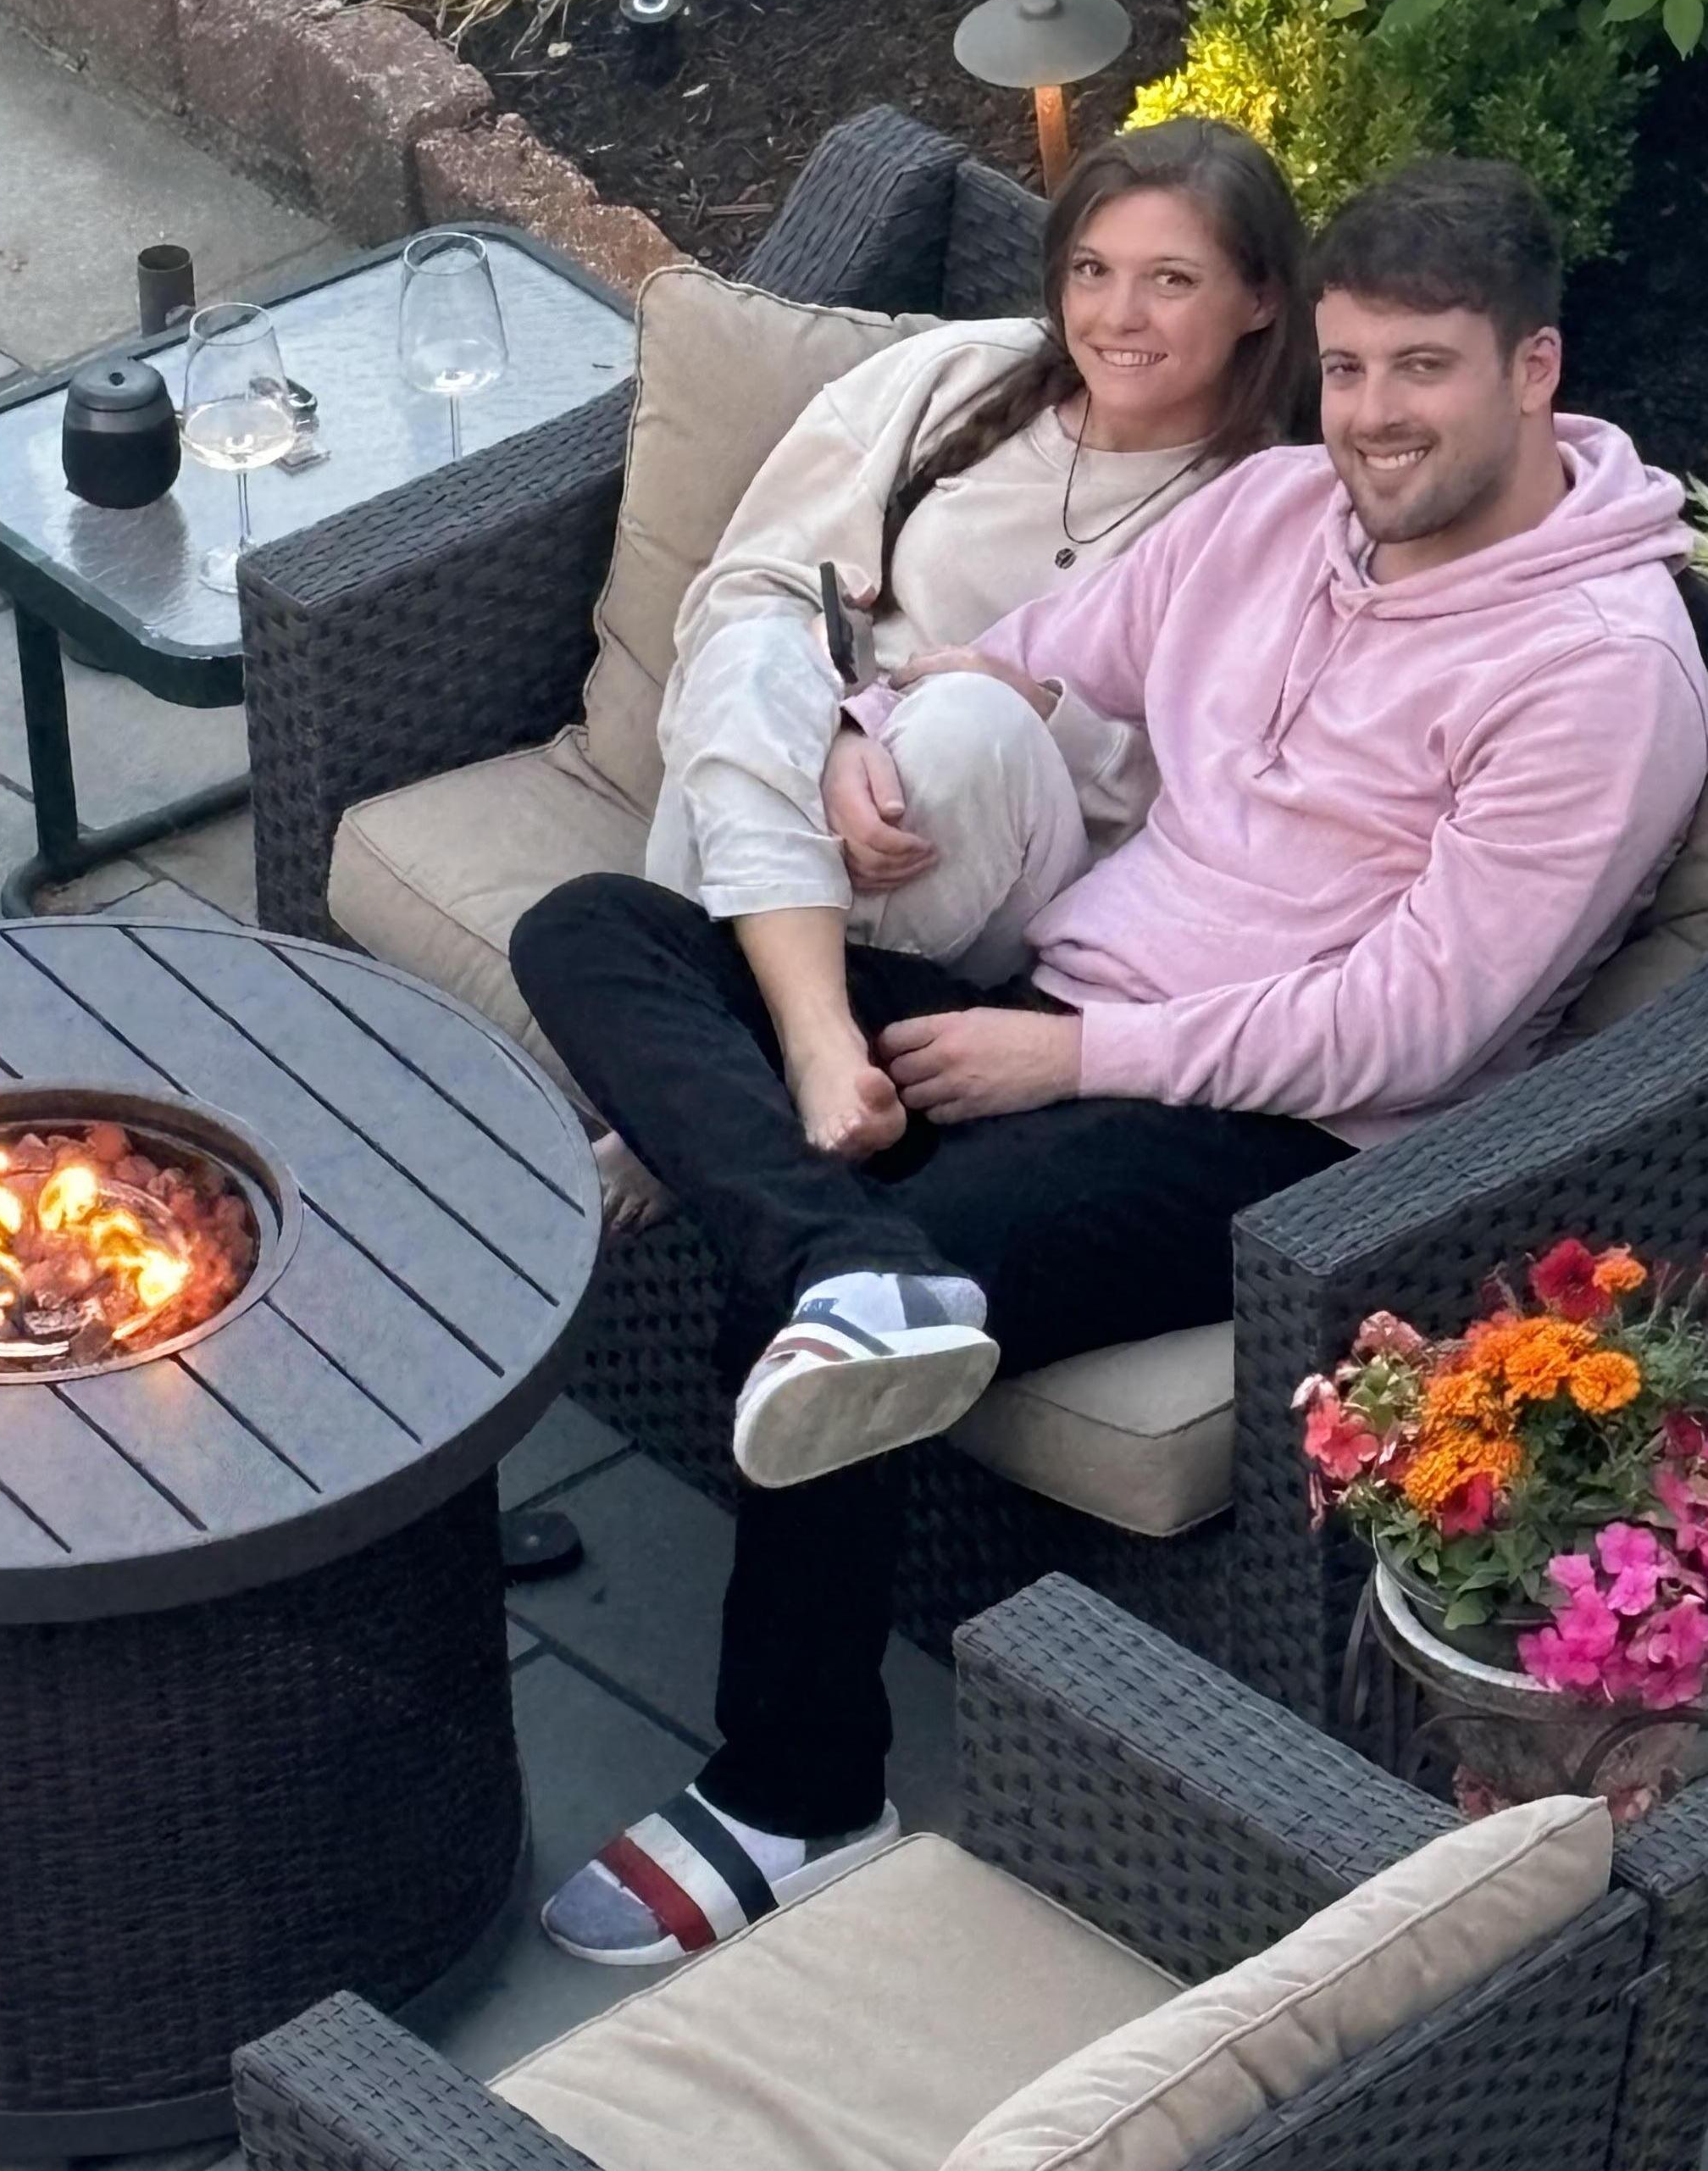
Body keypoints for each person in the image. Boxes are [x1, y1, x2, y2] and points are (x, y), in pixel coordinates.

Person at [509, 156, 1708, 1968]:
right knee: (598, 930)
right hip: (1045, 1011)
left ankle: (800, 1785)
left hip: (1277, 1137)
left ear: (1533, 370)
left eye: (1423, 370)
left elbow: (1423, 1018)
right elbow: (1030, 661)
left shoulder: (1601, 672)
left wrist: (1075, 1052)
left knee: (844, 1307)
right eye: (1349, 367)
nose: (1371, 416)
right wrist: (862, 730)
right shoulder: (1279, 509)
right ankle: (840, 1248)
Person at [618, 119, 1305, 1228]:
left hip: (996, 858)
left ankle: (689, 1079)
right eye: (1092, 271)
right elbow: (752, 586)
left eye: (1171, 280)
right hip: (790, 772)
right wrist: (842, 730)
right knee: (751, 653)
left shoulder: (1270, 514)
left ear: (1260, 299)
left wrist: (1041, 710)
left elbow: (1215, 806)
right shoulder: (960, 379)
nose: (1118, 316)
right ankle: (806, 1045)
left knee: (971, 721)